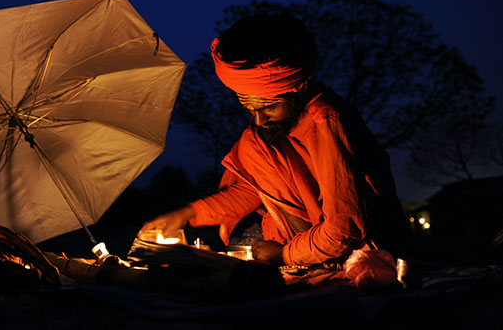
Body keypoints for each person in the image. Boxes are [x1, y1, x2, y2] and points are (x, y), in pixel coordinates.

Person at [140, 14, 411, 267]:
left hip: (355, 256)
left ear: (300, 87)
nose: (258, 119)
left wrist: (285, 254)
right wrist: (186, 214)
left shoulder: (326, 123)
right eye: (247, 106)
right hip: (286, 237)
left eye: (268, 107)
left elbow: (344, 227)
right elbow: (254, 189)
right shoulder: (267, 133)